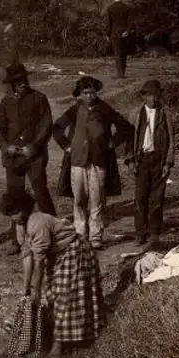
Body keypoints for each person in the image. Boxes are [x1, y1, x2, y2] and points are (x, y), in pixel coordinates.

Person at [0, 191, 105, 357]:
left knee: (66, 296)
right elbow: (27, 257)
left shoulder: (37, 223)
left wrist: (36, 291)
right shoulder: (21, 227)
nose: (14, 218)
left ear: (25, 210)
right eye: (10, 214)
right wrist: (27, 289)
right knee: (52, 294)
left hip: (75, 251)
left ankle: (60, 344)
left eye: (16, 213)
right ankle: (62, 337)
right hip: (56, 254)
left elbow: (39, 262)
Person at [52, 76, 133, 250]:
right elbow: (57, 128)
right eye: (85, 93)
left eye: (92, 93)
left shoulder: (104, 109)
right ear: (79, 95)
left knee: (96, 201)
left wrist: (112, 142)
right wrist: (66, 145)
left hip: (98, 161)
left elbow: (124, 126)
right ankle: (80, 235)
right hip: (78, 162)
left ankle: (96, 237)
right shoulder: (74, 110)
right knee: (79, 200)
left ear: (96, 93)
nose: (89, 96)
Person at [0, 62, 56, 256]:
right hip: (13, 158)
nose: (22, 83)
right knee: (14, 198)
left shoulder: (39, 98)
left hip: (34, 156)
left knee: (41, 194)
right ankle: (17, 240)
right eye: (17, 81)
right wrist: (6, 146)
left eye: (24, 79)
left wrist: (34, 147)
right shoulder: (5, 103)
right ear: (11, 84)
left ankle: (53, 234)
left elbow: (46, 125)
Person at [125, 79, 176, 251]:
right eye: (149, 95)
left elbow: (171, 141)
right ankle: (140, 232)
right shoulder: (136, 114)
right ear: (144, 96)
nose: (153, 99)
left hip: (158, 160)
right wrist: (131, 161)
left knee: (157, 198)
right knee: (140, 198)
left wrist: (168, 163)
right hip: (142, 160)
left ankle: (154, 232)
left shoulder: (165, 114)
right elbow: (129, 139)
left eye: (156, 95)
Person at [106, 0, 133, 79]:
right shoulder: (127, 8)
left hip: (114, 33)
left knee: (117, 54)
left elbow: (108, 23)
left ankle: (120, 74)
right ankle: (123, 73)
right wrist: (128, 31)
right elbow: (130, 22)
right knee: (124, 54)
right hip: (124, 33)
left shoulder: (110, 8)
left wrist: (107, 34)